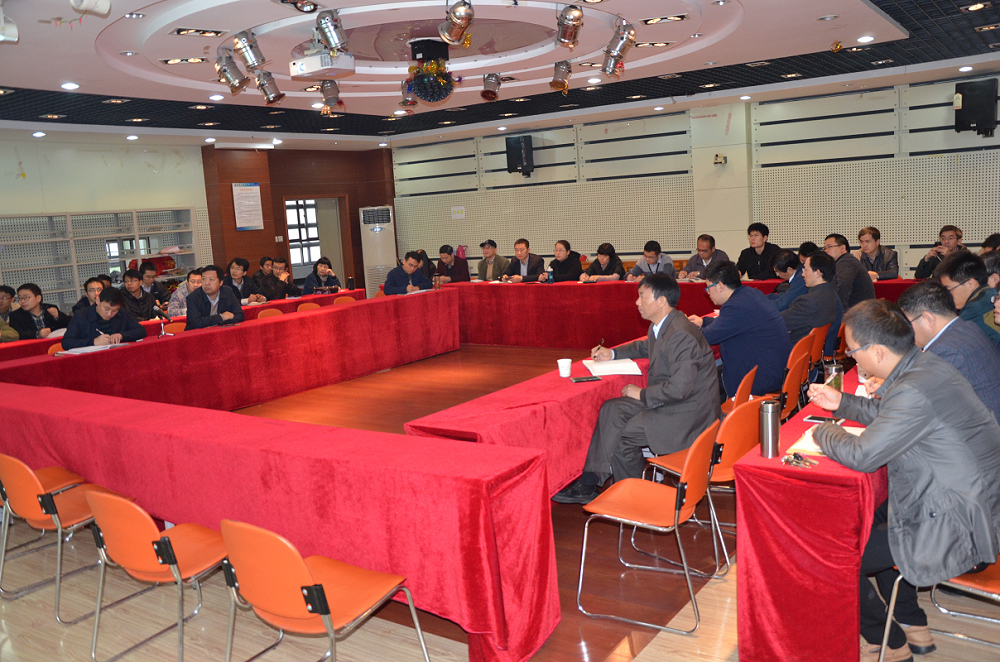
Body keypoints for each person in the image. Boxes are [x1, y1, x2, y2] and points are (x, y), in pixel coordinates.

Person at [808, 299, 1000, 662]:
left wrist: (823, 432)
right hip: (964, 503)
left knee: (829, 553)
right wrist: (842, 403)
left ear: (877, 352)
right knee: (864, 518)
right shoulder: (926, 366)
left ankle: (889, 641)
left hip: (955, 524)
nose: (850, 358)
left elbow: (863, 455)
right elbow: (889, 413)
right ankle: (913, 623)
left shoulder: (913, 388)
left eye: (852, 351)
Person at [552, 274, 720, 504]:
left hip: (688, 414)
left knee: (623, 437)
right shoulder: (663, 325)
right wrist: (612, 353)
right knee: (612, 409)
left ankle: (633, 497)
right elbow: (644, 347)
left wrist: (641, 393)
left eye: (642, 296)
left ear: (661, 301)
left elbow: (679, 389)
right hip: (673, 403)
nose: (637, 302)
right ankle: (591, 482)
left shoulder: (681, 334)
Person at [898, 280, 1000, 423]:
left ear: (928, 318)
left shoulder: (946, 349)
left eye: (907, 324)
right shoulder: (966, 328)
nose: (906, 332)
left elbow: (915, 403)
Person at [688, 261, 791, 396]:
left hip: (759, 378)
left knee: (695, 383)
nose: (707, 292)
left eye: (708, 287)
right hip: (773, 368)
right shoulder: (750, 293)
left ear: (720, 286)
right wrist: (703, 321)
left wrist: (685, 324)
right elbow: (730, 325)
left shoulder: (736, 305)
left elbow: (707, 337)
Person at [780, 252, 842, 353]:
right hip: (816, 350)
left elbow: (778, 322)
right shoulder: (831, 294)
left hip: (796, 352)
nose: (802, 274)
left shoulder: (810, 301)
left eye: (805, 269)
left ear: (818, 273)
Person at [934, 251, 1000, 346]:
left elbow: (950, 344)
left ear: (971, 284)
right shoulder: (991, 292)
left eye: (949, 289)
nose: (947, 295)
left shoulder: (973, 309)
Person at [62, 287, 147, 349]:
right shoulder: (81, 315)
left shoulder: (122, 313)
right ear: (98, 300)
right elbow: (66, 342)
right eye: (107, 308)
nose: (110, 314)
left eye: (115, 310)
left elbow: (141, 331)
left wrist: (122, 336)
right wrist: (93, 342)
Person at [824, 233, 876, 309]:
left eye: (829, 247)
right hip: (859, 310)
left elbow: (842, 287)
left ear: (842, 248)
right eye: (824, 248)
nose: (826, 251)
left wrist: (835, 310)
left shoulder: (847, 263)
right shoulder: (843, 261)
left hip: (860, 312)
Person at [186, 265, 245, 330]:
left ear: (221, 282)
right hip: (198, 334)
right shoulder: (193, 297)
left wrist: (216, 322)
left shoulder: (227, 292)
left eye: (211, 279)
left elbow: (240, 316)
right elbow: (197, 323)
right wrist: (221, 317)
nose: (207, 283)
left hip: (221, 331)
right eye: (203, 279)